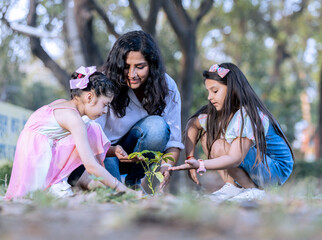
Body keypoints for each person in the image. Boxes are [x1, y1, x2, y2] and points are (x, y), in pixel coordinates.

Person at [5, 66, 138, 200]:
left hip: (32, 151)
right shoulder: (73, 119)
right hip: (36, 162)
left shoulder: (62, 104)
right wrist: (124, 189)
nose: (105, 111)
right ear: (90, 97)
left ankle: (70, 180)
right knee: (90, 127)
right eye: (105, 105)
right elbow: (91, 165)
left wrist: (113, 149)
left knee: (91, 128)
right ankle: (55, 184)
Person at [169, 63, 294, 202]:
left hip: (275, 169)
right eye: (208, 92)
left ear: (232, 89)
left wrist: (200, 164)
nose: (210, 97)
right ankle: (233, 186)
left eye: (215, 91)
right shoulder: (220, 113)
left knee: (219, 146)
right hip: (260, 164)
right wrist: (190, 157)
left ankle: (252, 190)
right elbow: (193, 124)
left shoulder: (247, 114)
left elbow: (235, 158)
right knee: (206, 136)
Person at [95, 30, 183, 192]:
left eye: (140, 67)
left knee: (157, 127)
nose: (132, 74)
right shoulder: (103, 82)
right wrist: (113, 151)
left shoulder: (167, 87)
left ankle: (134, 181)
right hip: (105, 154)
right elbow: (91, 136)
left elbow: (174, 141)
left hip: (136, 158)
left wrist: (166, 166)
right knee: (117, 194)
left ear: (152, 65)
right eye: (126, 67)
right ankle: (120, 187)